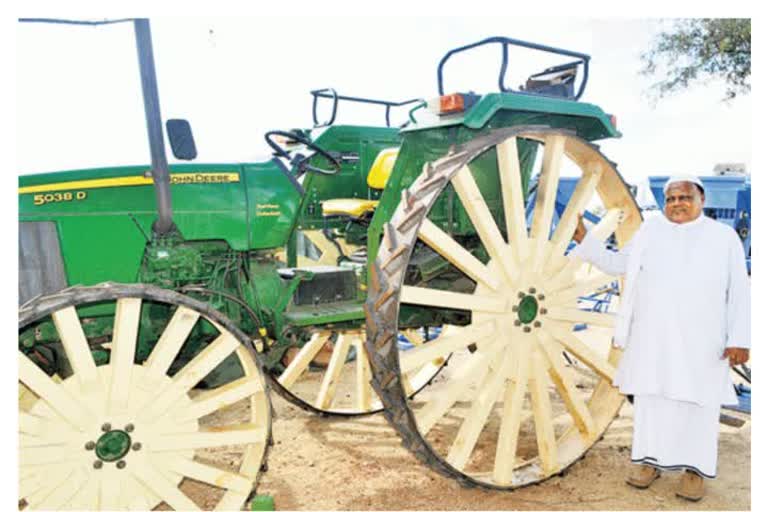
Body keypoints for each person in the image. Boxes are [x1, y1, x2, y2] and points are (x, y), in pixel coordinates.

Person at [568, 175, 750, 501]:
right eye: (671, 199)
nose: (677, 203)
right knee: (653, 402)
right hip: (654, 338)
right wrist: (585, 238)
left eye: (684, 197)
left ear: (701, 200)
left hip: (703, 341)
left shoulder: (723, 238)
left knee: (698, 403)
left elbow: (740, 291)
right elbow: (618, 263)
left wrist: (740, 338)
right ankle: (649, 464)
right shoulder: (651, 232)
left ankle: (695, 471)